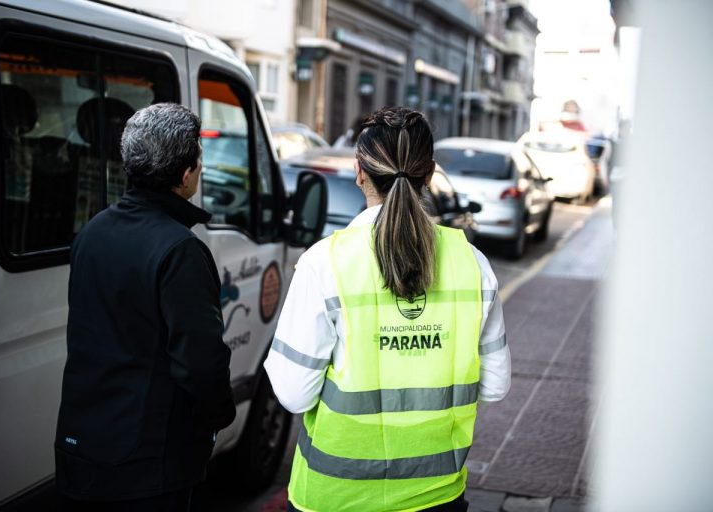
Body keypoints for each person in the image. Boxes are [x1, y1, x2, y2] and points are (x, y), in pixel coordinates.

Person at [265, 106, 510, 512]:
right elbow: (496, 386)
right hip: (436, 496)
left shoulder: (324, 263)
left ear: (359, 171)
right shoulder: (473, 264)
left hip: (335, 498)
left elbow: (294, 394)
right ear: (429, 175)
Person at [55, 103, 236, 511]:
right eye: (199, 160)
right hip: (147, 465)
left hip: (80, 445)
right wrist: (219, 415)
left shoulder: (93, 231)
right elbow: (201, 361)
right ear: (186, 174)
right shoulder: (180, 249)